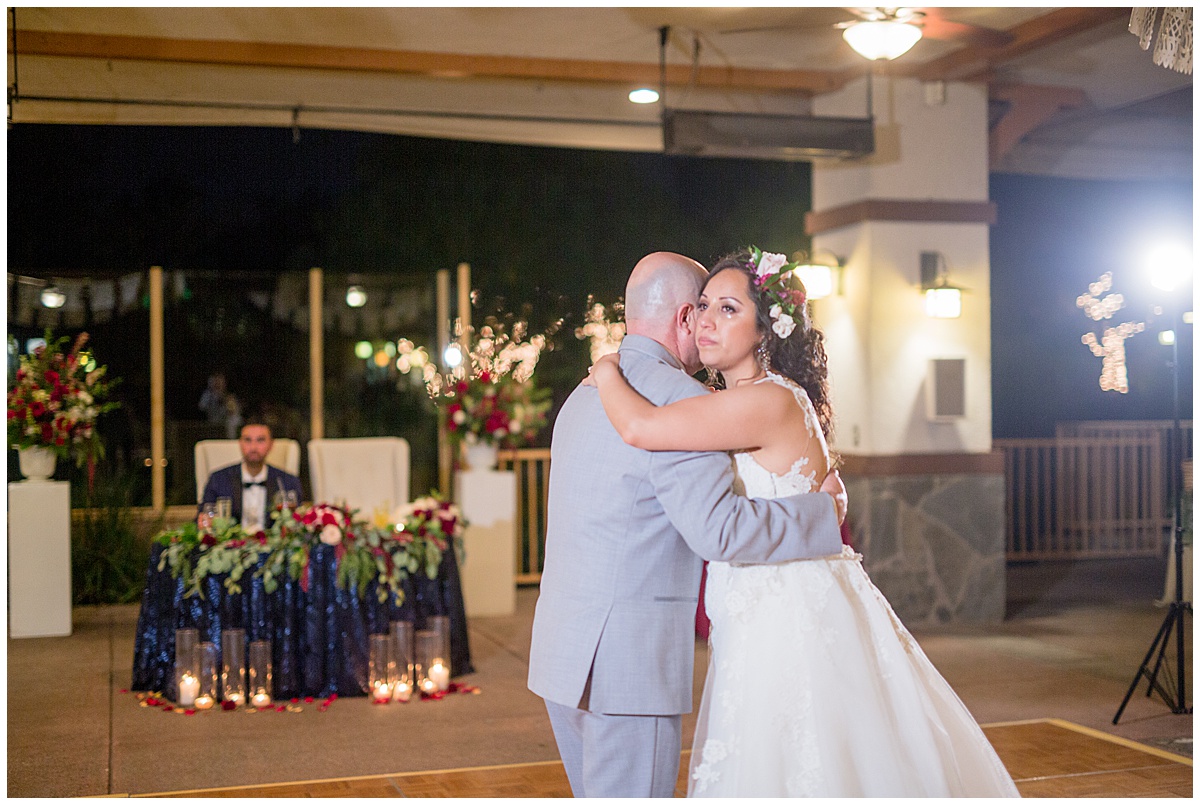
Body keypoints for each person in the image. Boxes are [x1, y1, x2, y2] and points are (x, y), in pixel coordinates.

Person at [585, 247, 1020, 797]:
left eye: (728, 309)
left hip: (786, 614)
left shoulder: (764, 401)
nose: (707, 322)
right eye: (702, 307)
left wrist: (606, 371)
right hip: (763, 608)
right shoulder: (747, 398)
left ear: (765, 329)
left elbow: (642, 428)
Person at [527, 251, 848, 798]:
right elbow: (719, 531)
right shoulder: (687, 403)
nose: (705, 324)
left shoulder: (584, 395)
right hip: (627, 666)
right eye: (701, 309)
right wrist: (824, 513)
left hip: (561, 654)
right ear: (683, 318)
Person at [198, 420, 303, 533]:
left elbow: (297, 522)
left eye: (260, 440)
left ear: (271, 445)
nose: (253, 447)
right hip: (230, 546)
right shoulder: (218, 479)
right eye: (248, 440)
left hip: (274, 547)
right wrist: (205, 522)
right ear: (240, 443)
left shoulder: (287, 481)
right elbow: (202, 518)